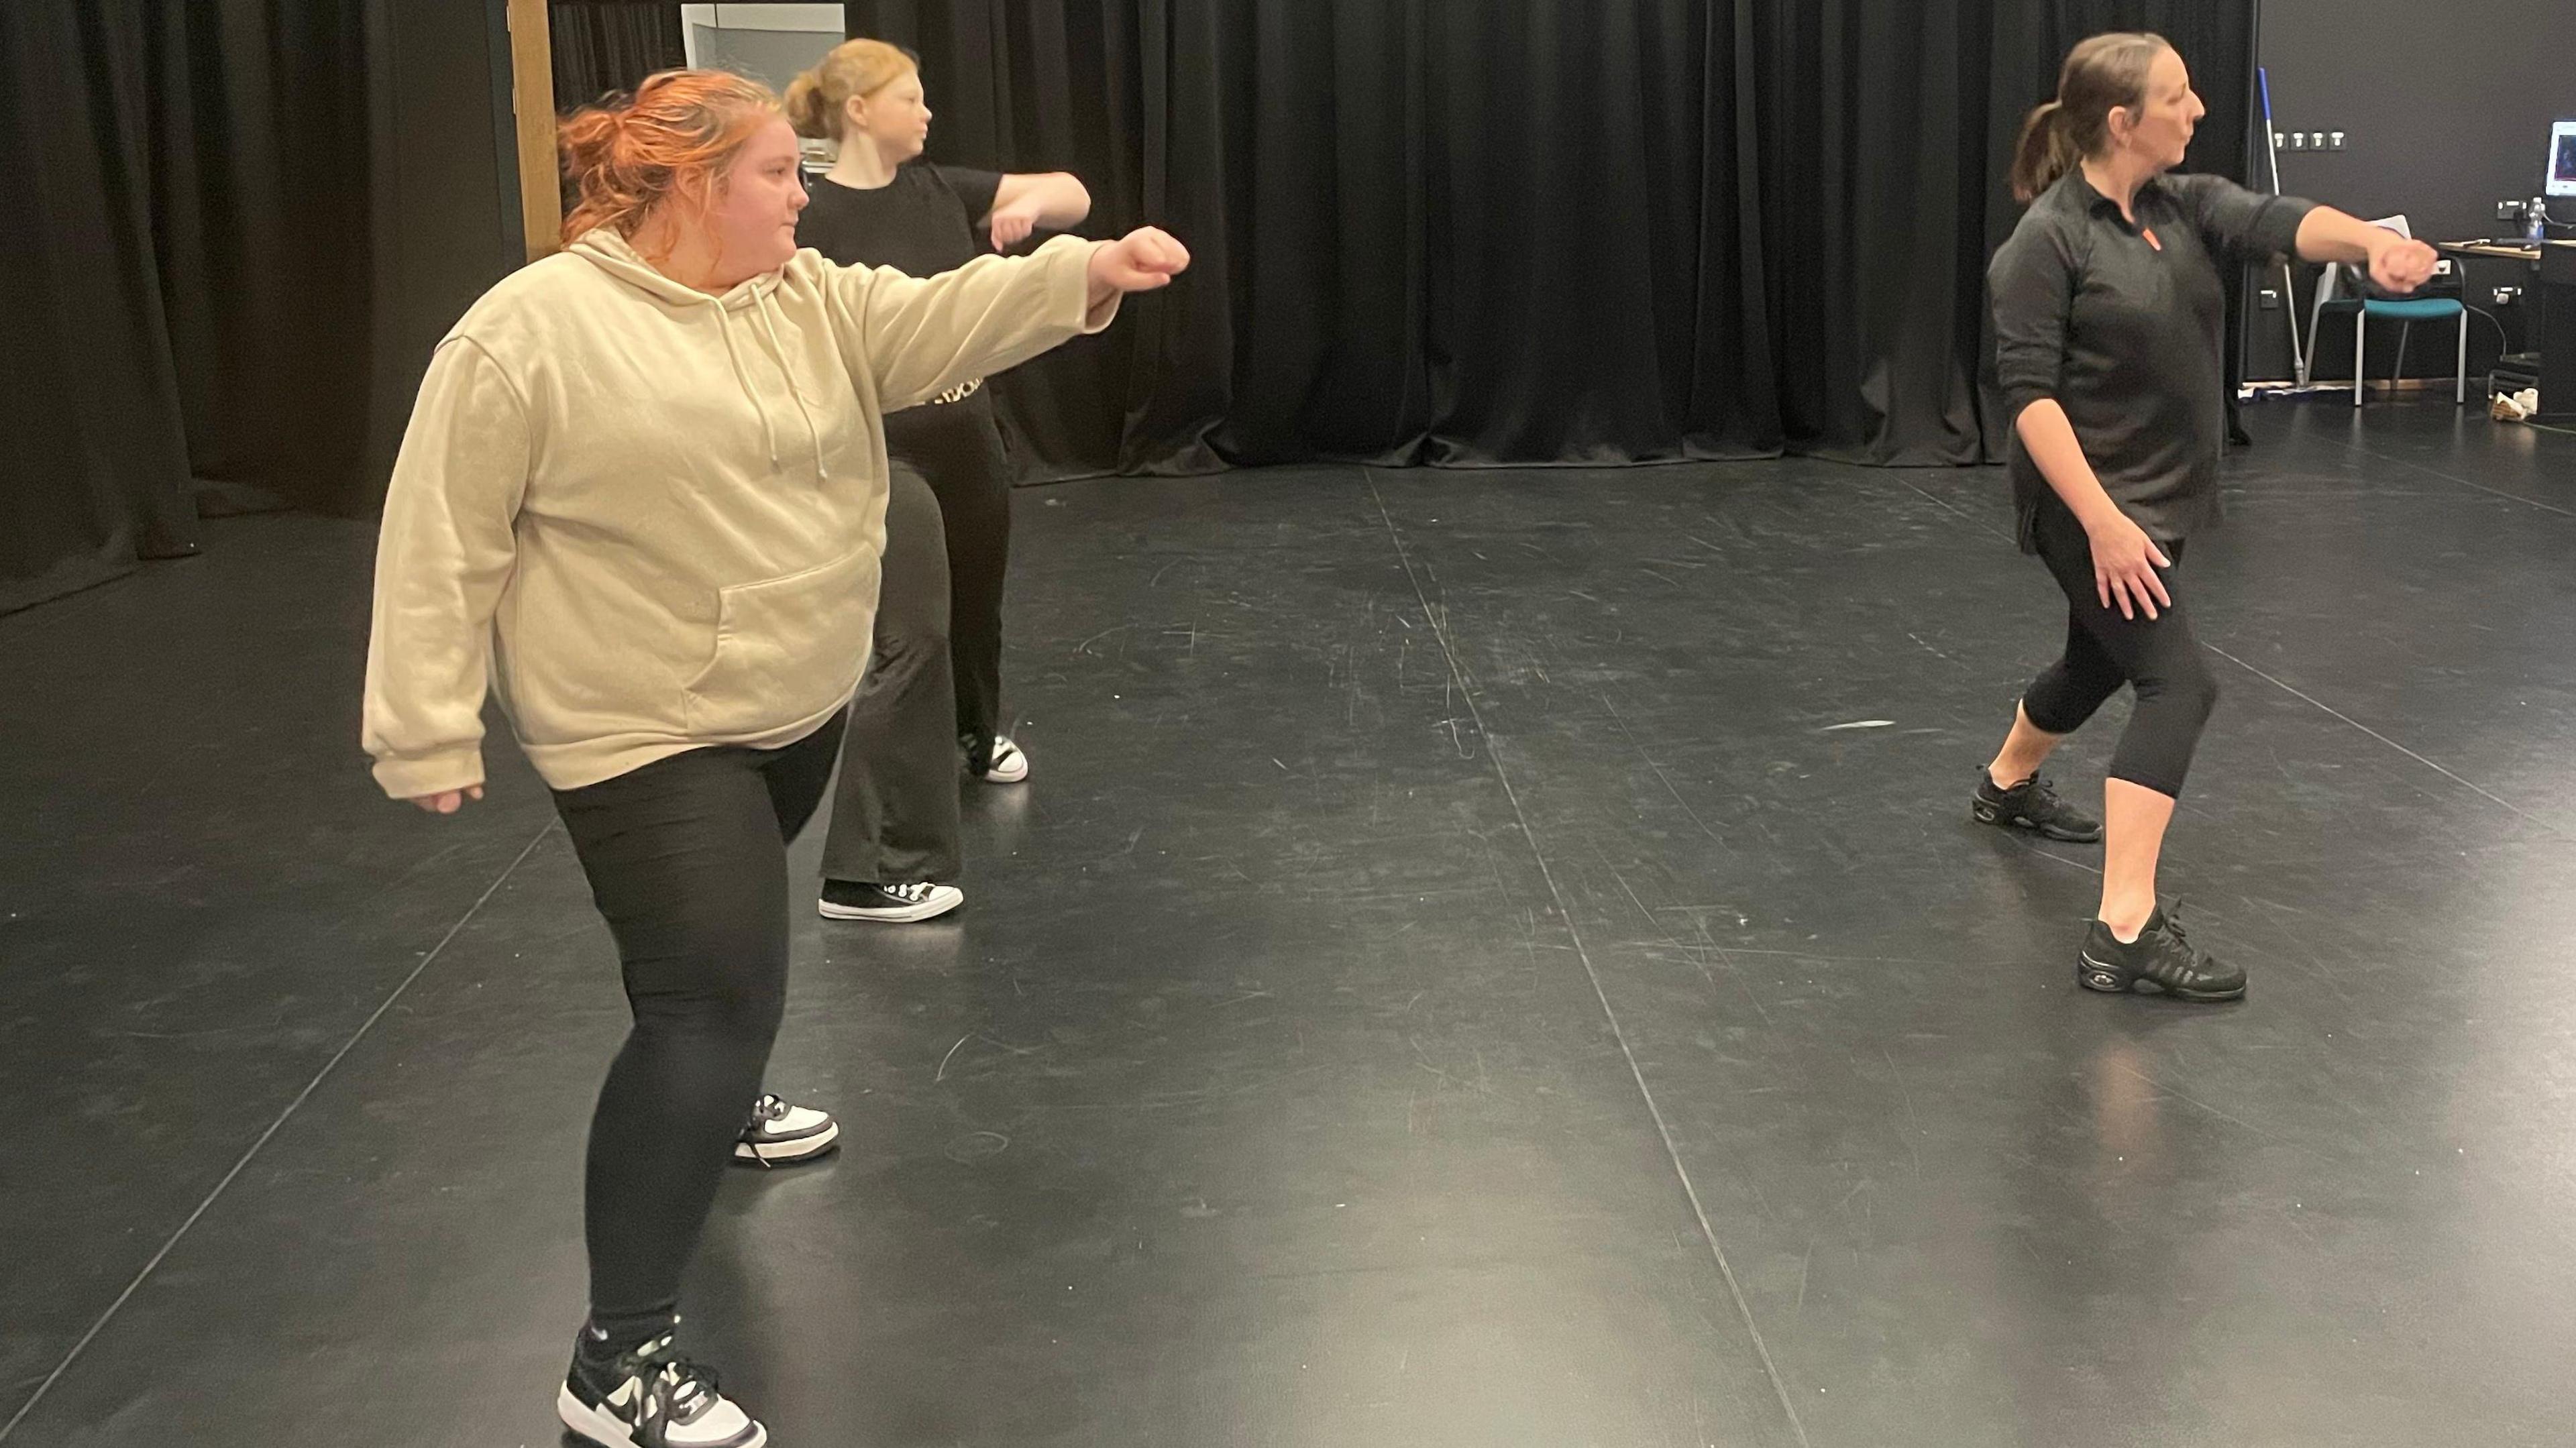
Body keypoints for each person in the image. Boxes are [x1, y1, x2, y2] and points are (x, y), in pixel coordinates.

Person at [360, 68, 1186, 1448]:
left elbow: (934, 319)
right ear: (689, 188)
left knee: (700, 970)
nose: (802, 193)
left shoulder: (802, 299)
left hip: (792, 703)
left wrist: (1083, 270)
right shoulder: (533, 332)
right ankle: (616, 1359)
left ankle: (724, 1107)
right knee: (715, 995)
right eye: (775, 175)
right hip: (639, 727)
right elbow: (445, 533)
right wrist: (427, 720)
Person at [1977, 32, 2434, 1002]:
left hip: (2159, 492)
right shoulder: (2046, 242)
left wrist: (2373, 245)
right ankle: (2122, 931)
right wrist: (2100, 523)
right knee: (2178, 687)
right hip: (2087, 504)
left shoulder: (2179, 204)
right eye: (2178, 97)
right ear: (2122, 122)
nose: (2198, 110)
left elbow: (2279, 219)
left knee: (2098, 661)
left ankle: (2007, 785)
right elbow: (2031, 401)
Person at [782, 40, 1095, 925]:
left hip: (966, 434)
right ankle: (865, 864)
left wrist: (1029, 210)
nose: (926, 114)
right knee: (910, 635)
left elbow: (1074, 191)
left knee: (974, 607)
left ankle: (969, 734)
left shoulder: (937, 188)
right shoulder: (811, 213)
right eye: (910, 98)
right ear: (858, 110)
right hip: (885, 451)